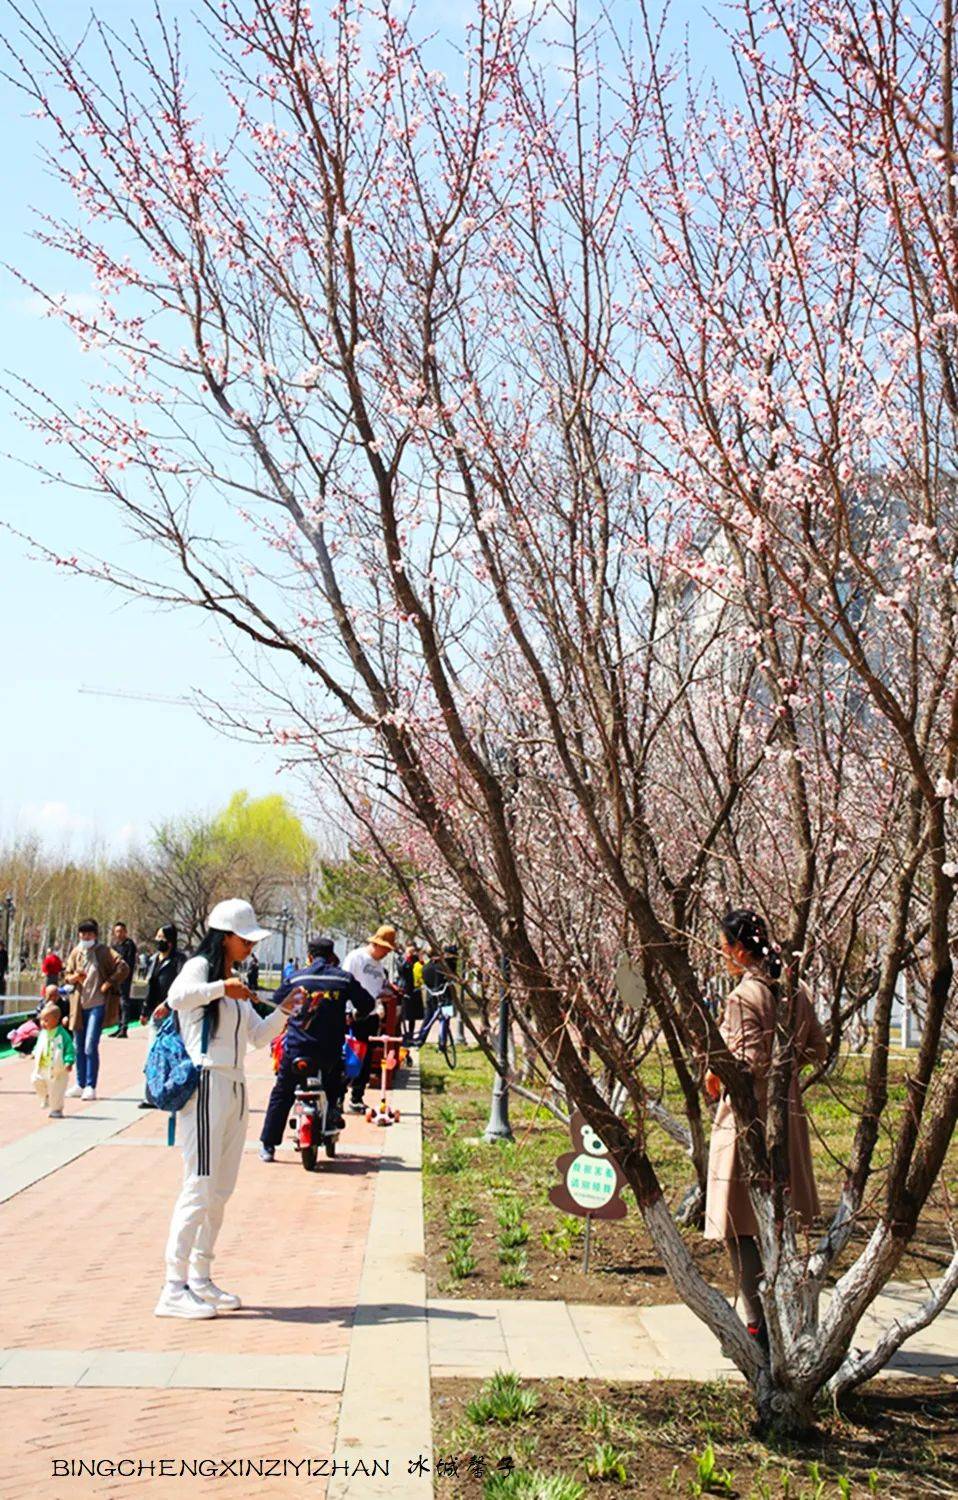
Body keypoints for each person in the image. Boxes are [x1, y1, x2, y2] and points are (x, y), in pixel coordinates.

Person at [156, 898, 296, 1320]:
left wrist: (286, 1011)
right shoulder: (200, 968)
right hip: (206, 1082)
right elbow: (176, 997)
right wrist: (221, 989)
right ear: (224, 937)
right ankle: (173, 1286)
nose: (250, 946)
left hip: (234, 1085)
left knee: (220, 1190)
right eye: (244, 939)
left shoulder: (233, 982)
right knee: (198, 1185)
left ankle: (201, 1277)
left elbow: (257, 1036)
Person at [703, 908, 827, 1351]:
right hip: (787, 1116)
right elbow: (818, 1047)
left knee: (738, 1225)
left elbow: (748, 1062)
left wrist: (715, 1071)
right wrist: (786, 1072)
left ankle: (758, 1324)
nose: (722, 956)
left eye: (723, 948)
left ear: (739, 949)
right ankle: (785, 1321)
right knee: (780, 1224)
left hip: (746, 1122)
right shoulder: (794, 988)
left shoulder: (743, 996)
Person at [259, 936, 373, 1161]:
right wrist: (355, 1015)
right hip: (329, 1052)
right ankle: (332, 1117)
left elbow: (276, 1002)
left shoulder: (296, 978)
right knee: (336, 1085)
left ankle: (268, 1145)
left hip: (296, 1050)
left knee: (282, 1093)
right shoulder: (343, 979)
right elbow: (367, 1004)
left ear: (309, 956)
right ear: (331, 956)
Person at [63, 919, 130, 1101]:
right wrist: (74, 977)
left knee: (90, 1045)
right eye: (83, 933)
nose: (86, 937)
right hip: (78, 1005)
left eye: (89, 934)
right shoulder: (76, 952)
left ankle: (91, 1085)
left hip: (98, 1004)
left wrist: (109, 982)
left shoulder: (104, 951)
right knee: (78, 1046)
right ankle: (80, 1083)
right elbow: (67, 975)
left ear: (95, 935)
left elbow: (123, 967)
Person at [342, 925, 396, 1111]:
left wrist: (385, 993)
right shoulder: (356, 958)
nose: (387, 953)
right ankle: (338, 1097)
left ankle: (357, 1097)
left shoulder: (379, 967)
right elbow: (345, 983)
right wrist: (347, 1011)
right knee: (350, 1057)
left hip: (371, 1016)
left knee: (365, 1060)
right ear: (377, 944)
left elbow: (377, 989)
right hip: (354, 1015)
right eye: (386, 949)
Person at [138, 924, 187, 1109]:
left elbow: (182, 986)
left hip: (173, 1013)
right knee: (152, 1054)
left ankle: (171, 1093)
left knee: (171, 1055)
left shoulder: (179, 961)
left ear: (170, 941)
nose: (158, 941)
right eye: (157, 937)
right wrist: (144, 1011)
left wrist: (169, 1004)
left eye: (162, 937)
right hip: (156, 1014)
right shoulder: (154, 960)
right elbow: (150, 987)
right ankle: (150, 1096)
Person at [32, 993, 75, 1117]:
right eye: (41, 1020)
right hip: (43, 1066)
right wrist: (35, 1052)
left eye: (46, 1020)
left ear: (56, 1020)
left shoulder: (62, 1035)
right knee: (35, 1080)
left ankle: (56, 1109)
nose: (43, 1023)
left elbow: (69, 1049)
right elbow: (39, 1045)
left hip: (58, 1070)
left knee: (57, 1091)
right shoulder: (43, 1033)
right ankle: (45, 1096)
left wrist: (69, 1061)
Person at [416, 949, 450, 1045]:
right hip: (445, 996)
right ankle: (442, 1042)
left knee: (428, 1018)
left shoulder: (425, 968)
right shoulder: (444, 967)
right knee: (445, 1019)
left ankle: (421, 1039)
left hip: (430, 996)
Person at [110, 921, 138, 1037]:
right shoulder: (114, 945)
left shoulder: (129, 945)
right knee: (117, 1003)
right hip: (115, 977)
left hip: (125, 977)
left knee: (124, 1002)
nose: (119, 934)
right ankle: (119, 1026)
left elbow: (129, 962)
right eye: (116, 931)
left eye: (121, 931)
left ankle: (124, 1028)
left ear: (125, 932)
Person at [397, 943, 423, 1045]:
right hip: (404, 988)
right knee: (402, 1013)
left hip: (413, 988)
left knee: (412, 1015)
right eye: (410, 951)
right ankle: (401, 1034)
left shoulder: (415, 959)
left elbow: (421, 968)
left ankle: (411, 1034)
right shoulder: (401, 959)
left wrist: (420, 959)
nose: (412, 953)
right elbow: (402, 970)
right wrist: (407, 958)